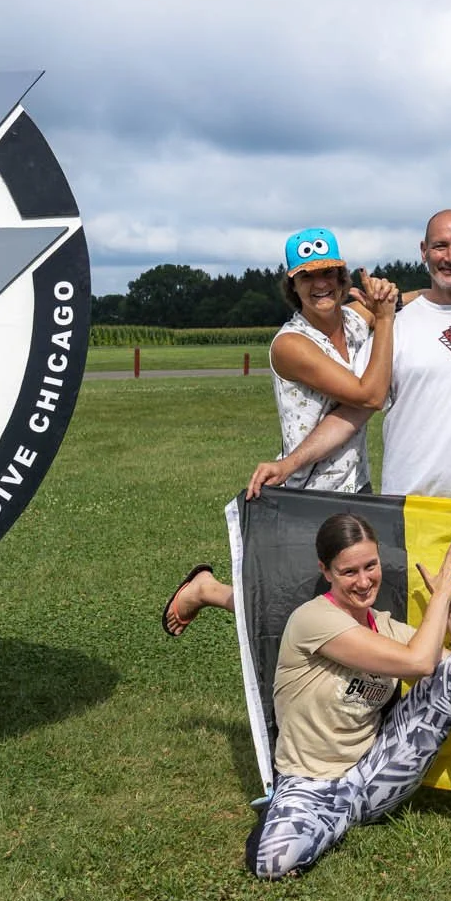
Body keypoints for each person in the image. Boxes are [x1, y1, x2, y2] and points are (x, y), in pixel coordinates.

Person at [250, 514, 451, 878]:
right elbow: (417, 662)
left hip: (373, 773)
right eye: (348, 572)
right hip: (311, 782)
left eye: (370, 566)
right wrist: (442, 598)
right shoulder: (312, 619)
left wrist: (450, 606)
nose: (364, 580)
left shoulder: (385, 626)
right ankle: (305, 813)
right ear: (326, 571)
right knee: (272, 864)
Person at [163, 227, 397, 634]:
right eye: (306, 276)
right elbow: (370, 395)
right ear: (293, 285)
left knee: (345, 602)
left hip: (356, 486)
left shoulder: (356, 323)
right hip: (307, 494)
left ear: (343, 279)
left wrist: (390, 298)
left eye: (328, 273)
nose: (320, 284)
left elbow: (355, 408)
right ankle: (207, 590)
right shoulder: (291, 344)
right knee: (288, 610)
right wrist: (387, 317)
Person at [250, 208, 451, 500]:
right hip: (395, 501)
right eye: (440, 246)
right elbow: (360, 405)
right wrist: (290, 463)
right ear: (424, 251)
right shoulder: (386, 329)